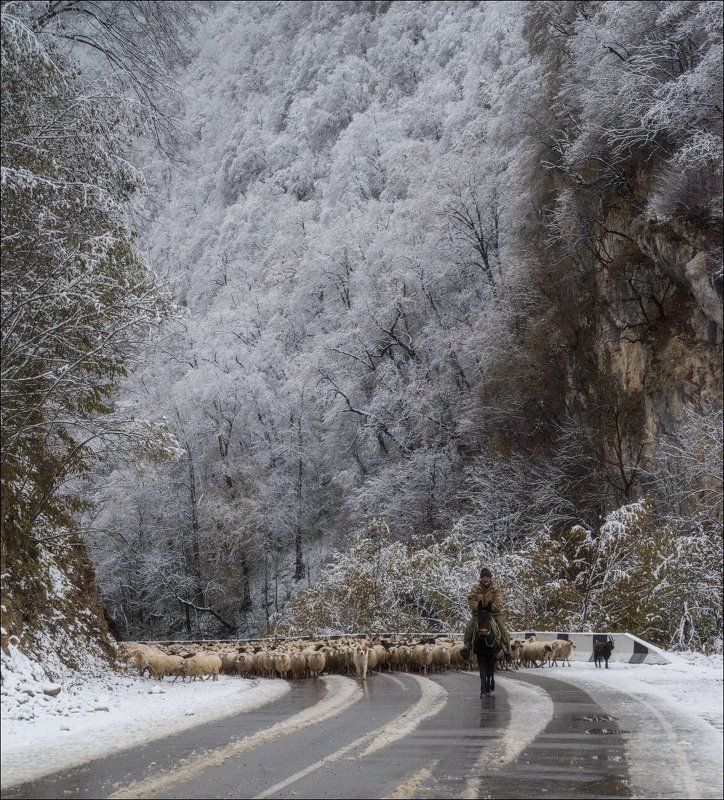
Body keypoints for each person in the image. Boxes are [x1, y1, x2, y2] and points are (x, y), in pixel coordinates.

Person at [460, 567, 511, 660]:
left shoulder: (496, 589)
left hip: (493, 614)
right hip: (478, 614)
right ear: (481, 578)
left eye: (487, 577)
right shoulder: (475, 589)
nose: (485, 579)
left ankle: (506, 649)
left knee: (502, 629)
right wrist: (480, 608)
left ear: (490, 578)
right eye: (483, 577)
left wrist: (489, 608)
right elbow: (471, 600)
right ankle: (466, 647)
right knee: (469, 628)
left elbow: (499, 602)